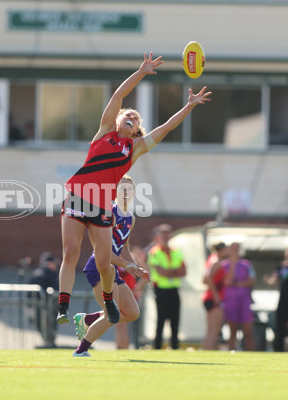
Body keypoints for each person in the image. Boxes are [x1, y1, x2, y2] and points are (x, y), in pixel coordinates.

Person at [57, 52, 212, 326]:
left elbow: (164, 128)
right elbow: (118, 95)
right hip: (79, 196)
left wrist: (189, 106)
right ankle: (63, 306)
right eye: (127, 114)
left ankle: (107, 301)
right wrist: (141, 72)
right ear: (117, 121)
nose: (131, 116)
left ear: (137, 129)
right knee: (70, 251)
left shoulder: (134, 149)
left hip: (102, 204)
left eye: (136, 118)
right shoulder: (105, 131)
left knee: (104, 262)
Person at [72, 176, 150, 357]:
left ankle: (88, 319)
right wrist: (127, 265)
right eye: (122, 188)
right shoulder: (108, 214)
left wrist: (135, 266)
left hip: (112, 269)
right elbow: (104, 252)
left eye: (129, 189)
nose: (125, 192)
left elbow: (125, 247)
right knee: (111, 315)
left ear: (134, 194)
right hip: (99, 267)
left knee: (132, 313)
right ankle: (81, 350)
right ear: (114, 192)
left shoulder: (131, 217)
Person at [148, 224, 186, 350]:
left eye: (167, 234)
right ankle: (157, 346)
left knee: (175, 319)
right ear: (158, 236)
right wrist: (174, 272)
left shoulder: (177, 252)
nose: (165, 236)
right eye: (162, 234)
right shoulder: (154, 252)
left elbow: (184, 271)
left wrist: (170, 272)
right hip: (160, 290)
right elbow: (161, 272)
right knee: (161, 319)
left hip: (174, 289)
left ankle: (175, 346)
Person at [222, 242, 256, 351]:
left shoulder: (246, 264)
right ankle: (231, 353)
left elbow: (251, 280)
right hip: (230, 300)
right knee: (232, 331)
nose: (235, 251)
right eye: (233, 248)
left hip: (244, 300)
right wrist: (233, 263)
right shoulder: (224, 265)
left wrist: (237, 284)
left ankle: (251, 355)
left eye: (237, 248)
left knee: (248, 331)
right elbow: (227, 281)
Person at [29, 252, 60, 347]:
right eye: (54, 263)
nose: (56, 266)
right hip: (47, 306)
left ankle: (48, 342)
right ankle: (49, 343)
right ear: (48, 263)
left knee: (42, 325)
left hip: (39, 306)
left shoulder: (36, 273)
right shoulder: (48, 275)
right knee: (49, 325)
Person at [201, 241, 228, 350]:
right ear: (221, 250)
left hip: (209, 297)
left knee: (211, 329)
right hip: (213, 298)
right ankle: (207, 351)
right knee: (215, 329)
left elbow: (204, 279)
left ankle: (207, 349)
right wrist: (216, 295)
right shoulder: (216, 261)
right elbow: (207, 279)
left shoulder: (211, 259)